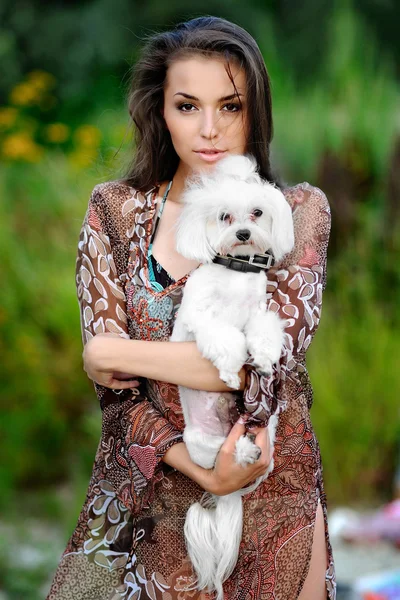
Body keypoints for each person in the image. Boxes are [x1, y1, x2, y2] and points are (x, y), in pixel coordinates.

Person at [47, 15, 336, 600]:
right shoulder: (114, 213)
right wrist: (201, 470)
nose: (210, 130)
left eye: (230, 106)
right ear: (160, 111)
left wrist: (111, 350)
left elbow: (260, 368)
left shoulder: (295, 214)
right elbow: (117, 397)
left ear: (257, 110)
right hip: (141, 499)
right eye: (187, 106)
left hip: (269, 497)